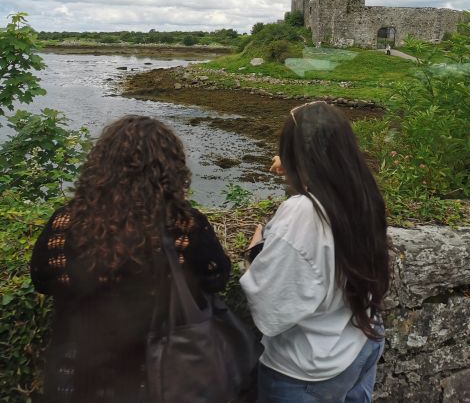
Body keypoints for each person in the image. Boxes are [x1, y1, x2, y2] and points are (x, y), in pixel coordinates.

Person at [31, 115, 231, 403]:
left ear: (101, 166)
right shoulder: (184, 224)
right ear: (170, 170)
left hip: (78, 374)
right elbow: (216, 277)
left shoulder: (66, 221)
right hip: (158, 376)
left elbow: (42, 279)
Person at [240, 101, 389, 403]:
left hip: (309, 369)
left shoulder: (302, 214)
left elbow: (271, 309)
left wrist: (255, 252)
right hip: (361, 341)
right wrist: (297, 172)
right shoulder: (363, 193)